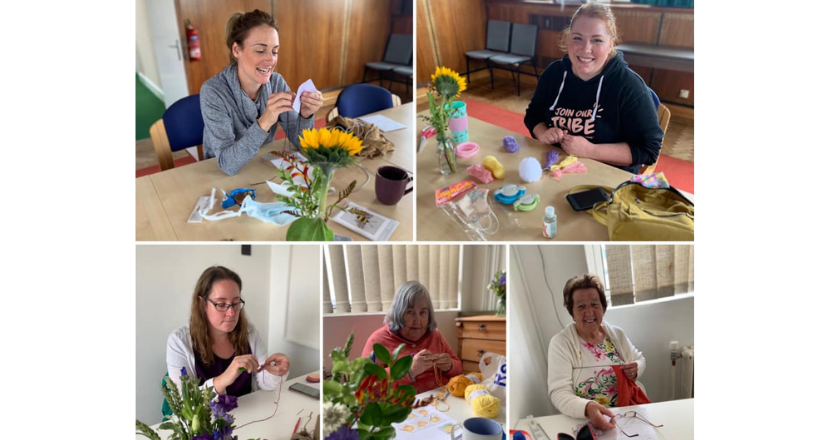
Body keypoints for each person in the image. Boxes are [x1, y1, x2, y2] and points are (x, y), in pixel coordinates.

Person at [524, 3, 663, 174]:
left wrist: (590, 150)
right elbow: (533, 115)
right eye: (577, 38)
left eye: (597, 40)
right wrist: (542, 132)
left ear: (611, 44)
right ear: (568, 38)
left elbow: (648, 150)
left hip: (608, 176)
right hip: (555, 168)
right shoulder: (553, 74)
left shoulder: (629, 86)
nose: (586, 49)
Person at [200, 9, 324, 175]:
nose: (271, 60)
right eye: (260, 50)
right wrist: (265, 121)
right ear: (236, 50)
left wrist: (305, 116)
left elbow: (301, 143)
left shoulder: (277, 82)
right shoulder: (213, 92)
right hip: (216, 173)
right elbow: (227, 164)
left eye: (275, 51)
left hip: (258, 164)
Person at [166, 266, 290, 396]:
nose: (231, 313)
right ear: (203, 304)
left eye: (236, 303)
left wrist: (277, 370)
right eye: (221, 304)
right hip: (208, 417)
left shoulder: (250, 332)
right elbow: (186, 403)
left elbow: (266, 383)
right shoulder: (178, 341)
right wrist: (223, 380)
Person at [547, 274, 646, 431]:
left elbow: (639, 359)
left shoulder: (617, 335)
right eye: (581, 306)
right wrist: (588, 407)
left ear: (603, 308)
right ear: (571, 312)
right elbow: (559, 393)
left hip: (626, 414)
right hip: (586, 421)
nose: (589, 312)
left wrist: (636, 368)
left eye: (594, 304)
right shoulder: (561, 343)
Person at [362, 281, 462, 393]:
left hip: (443, 400)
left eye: (423, 312)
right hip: (403, 406)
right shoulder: (378, 341)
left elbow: (458, 367)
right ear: (398, 313)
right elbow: (365, 383)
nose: (417, 320)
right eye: (410, 312)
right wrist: (409, 371)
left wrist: (450, 366)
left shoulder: (435, 335)